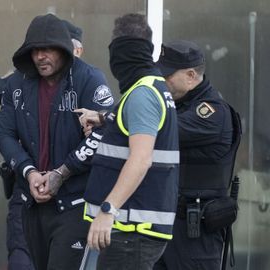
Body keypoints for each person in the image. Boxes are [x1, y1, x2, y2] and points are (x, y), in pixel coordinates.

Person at [0, 14, 114, 270]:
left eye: (48, 49)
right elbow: (3, 133)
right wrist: (28, 172)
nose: (40, 56)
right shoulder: (17, 83)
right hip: (31, 201)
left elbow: (104, 134)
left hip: (74, 204)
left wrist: (61, 172)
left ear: (64, 49)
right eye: (35, 50)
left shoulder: (89, 79)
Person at [75, 13, 179, 270]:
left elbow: (141, 159)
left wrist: (108, 210)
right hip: (131, 231)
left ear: (122, 51)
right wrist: (101, 117)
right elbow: (130, 121)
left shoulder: (142, 94)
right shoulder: (150, 86)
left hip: (131, 231)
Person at [153, 40, 241, 270]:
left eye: (168, 75)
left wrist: (107, 118)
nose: (162, 80)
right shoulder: (179, 105)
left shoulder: (212, 113)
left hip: (196, 236)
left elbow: (158, 126)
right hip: (168, 226)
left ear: (191, 75)